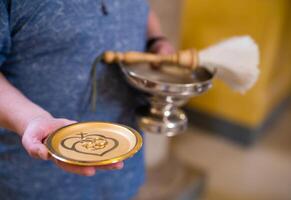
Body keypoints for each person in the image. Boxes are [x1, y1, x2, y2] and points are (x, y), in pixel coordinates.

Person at [0, 0, 175, 199]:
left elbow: (141, 8)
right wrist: (31, 119)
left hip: (123, 169)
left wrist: (156, 39)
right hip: (37, 178)